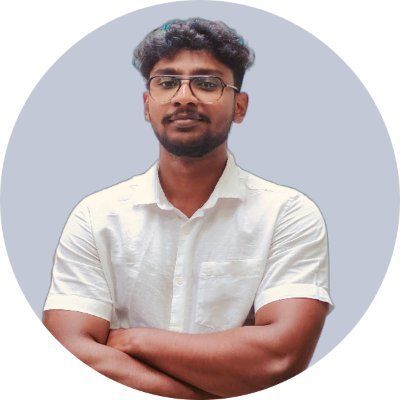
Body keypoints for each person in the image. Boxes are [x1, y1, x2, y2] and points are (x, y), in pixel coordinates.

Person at [42, 18, 334, 399]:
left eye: (207, 84)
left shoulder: (288, 215)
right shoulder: (96, 218)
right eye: (166, 82)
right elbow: (68, 355)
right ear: (146, 105)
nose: (184, 97)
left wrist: (132, 340)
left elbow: (280, 360)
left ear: (240, 106)